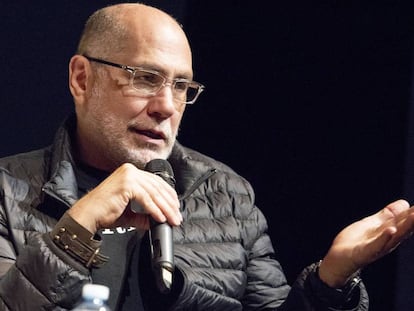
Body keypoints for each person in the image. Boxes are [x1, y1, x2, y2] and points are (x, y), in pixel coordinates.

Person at [0, 3, 413, 310]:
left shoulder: (226, 194)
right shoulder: (7, 190)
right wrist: (79, 225)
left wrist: (332, 279)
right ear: (82, 78)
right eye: (146, 78)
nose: (166, 106)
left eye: (181, 86)